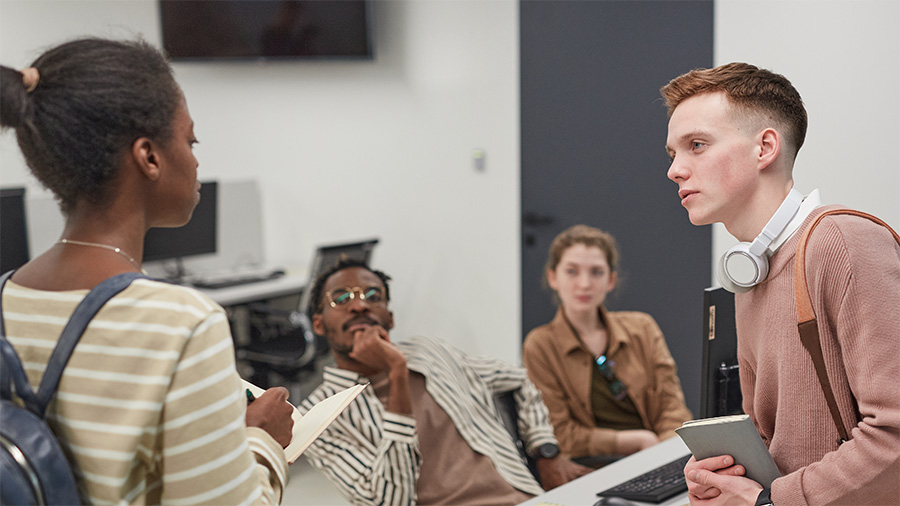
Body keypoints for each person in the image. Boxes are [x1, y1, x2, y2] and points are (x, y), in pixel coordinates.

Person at [0, 38, 294, 504]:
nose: (196, 159)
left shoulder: (4, 298)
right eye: (190, 140)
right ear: (149, 157)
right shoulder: (182, 322)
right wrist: (261, 440)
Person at [662, 62, 900, 505]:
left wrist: (768, 502)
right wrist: (724, 473)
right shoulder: (751, 270)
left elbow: (895, 436)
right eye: (672, 153)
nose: (676, 170)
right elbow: (776, 439)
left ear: (765, 147)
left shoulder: (842, 242)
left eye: (696, 145)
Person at [299, 259, 591, 506]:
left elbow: (518, 380)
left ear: (390, 317)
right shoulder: (316, 418)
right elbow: (390, 501)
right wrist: (396, 374)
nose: (360, 305)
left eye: (373, 296)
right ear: (319, 325)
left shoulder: (429, 353)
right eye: (340, 299)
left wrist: (546, 454)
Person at [522, 224, 692, 467]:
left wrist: (665, 458)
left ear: (610, 280)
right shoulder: (540, 345)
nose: (584, 284)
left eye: (596, 272)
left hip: (659, 456)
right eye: (572, 271)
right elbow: (561, 433)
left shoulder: (642, 328)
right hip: (592, 467)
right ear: (553, 277)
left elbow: (673, 409)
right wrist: (636, 441)